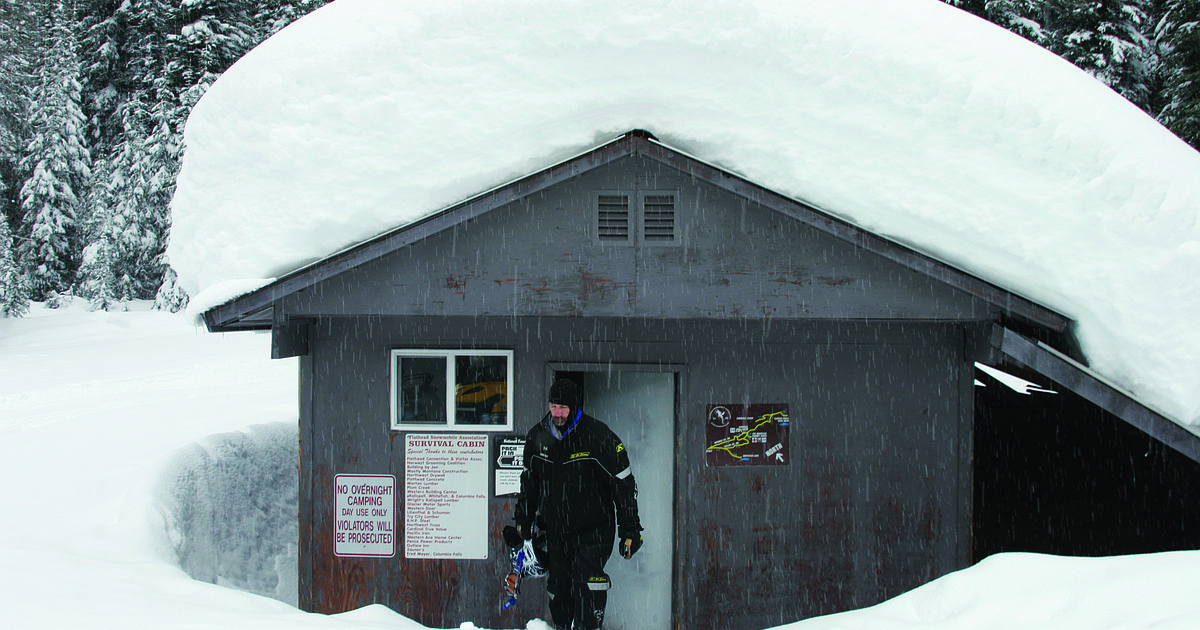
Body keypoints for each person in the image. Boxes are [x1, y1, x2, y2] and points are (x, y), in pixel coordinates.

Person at [506, 378, 643, 630]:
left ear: (575, 407)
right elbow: (529, 485)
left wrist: (630, 530)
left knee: (586, 579)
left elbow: (623, 485)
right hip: (557, 528)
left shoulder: (598, 438)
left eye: (563, 408)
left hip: (595, 528)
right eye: (553, 406)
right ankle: (562, 626)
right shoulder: (537, 438)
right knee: (558, 587)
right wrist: (523, 521)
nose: (557, 413)